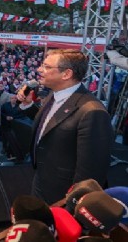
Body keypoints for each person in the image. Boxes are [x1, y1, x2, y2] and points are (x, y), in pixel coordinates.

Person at [24, 49, 112, 205]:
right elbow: (52, 125)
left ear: (66, 74)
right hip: (41, 181)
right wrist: (28, 105)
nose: (39, 69)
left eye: (47, 66)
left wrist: (71, 206)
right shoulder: (55, 94)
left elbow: (90, 175)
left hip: (62, 197)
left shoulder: (92, 112)